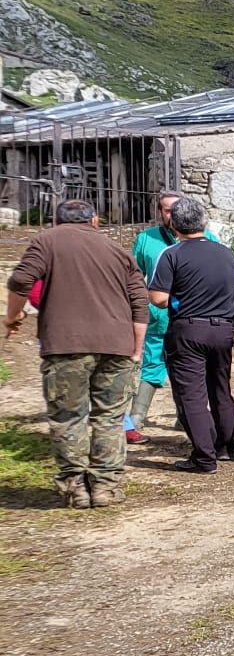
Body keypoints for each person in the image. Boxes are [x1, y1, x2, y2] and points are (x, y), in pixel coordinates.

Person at [3, 198, 149, 508]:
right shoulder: (117, 251)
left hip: (66, 346)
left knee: (69, 418)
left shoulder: (46, 241)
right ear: (94, 221)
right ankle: (105, 488)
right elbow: (139, 302)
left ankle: (76, 488)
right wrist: (136, 349)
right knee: (109, 419)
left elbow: (20, 281)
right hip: (117, 346)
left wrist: (12, 316)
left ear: (57, 221)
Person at [148, 197, 234, 475]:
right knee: (221, 389)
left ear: (173, 224)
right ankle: (224, 445)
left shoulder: (173, 254)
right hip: (223, 328)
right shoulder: (226, 253)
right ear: (205, 222)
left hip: (188, 329)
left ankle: (204, 456)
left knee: (192, 395)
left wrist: (178, 299)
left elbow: (158, 297)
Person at [125, 189, 191, 444]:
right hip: (157, 316)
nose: (171, 213)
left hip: (190, 316)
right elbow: (134, 275)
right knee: (152, 367)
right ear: (159, 211)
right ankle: (136, 420)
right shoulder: (146, 239)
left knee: (188, 368)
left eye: (176, 208)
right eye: (166, 209)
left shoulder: (205, 237)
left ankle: (185, 417)